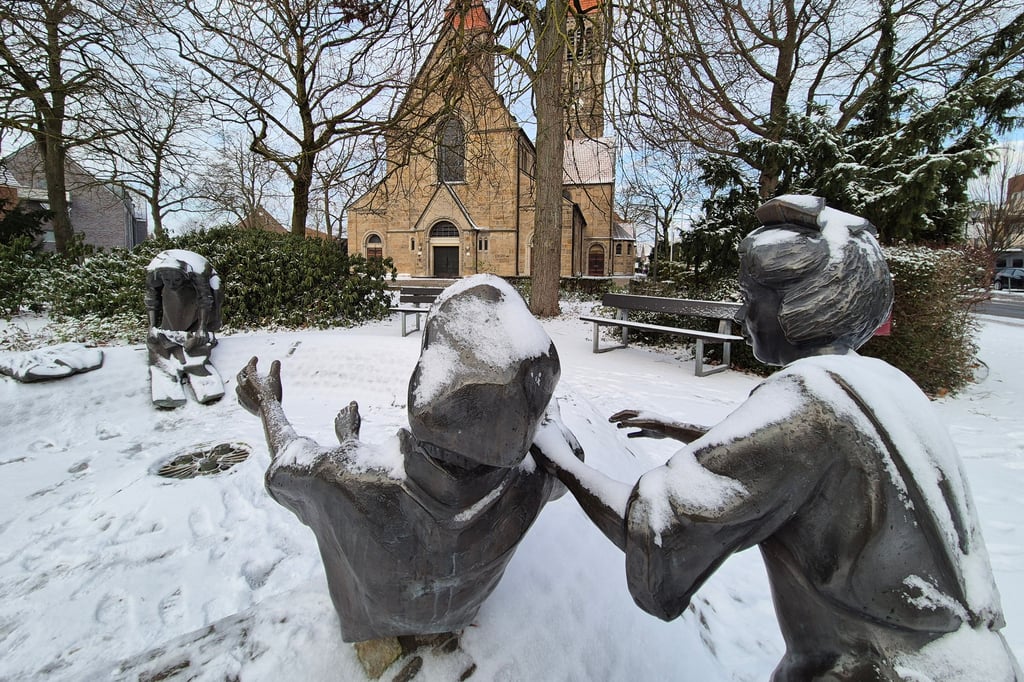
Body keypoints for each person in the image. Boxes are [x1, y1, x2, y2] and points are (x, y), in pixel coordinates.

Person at [534, 196, 1020, 681]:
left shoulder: (809, 400)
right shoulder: (882, 384)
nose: (744, 312)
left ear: (802, 302)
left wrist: (560, 460)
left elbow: (658, 527)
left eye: (752, 296)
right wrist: (673, 427)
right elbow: (802, 465)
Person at [236, 275, 581, 675]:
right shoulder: (532, 481)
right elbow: (569, 451)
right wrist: (535, 413)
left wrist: (266, 402)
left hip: (373, 618)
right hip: (461, 608)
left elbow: (287, 460)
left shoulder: (342, 482)